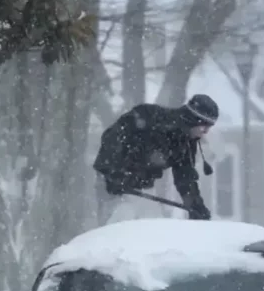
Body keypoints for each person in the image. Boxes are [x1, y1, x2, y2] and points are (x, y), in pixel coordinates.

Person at [92, 94, 219, 225]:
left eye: (210, 127)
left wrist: (195, 206)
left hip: (143, 189)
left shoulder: (186, 143)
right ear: (193, 119)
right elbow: (111, 138)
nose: (206, 132)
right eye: (205, 126)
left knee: (153, 228)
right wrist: (113, 174)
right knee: (118, 228)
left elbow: (185, 178)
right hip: (113, 186)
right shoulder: (150, 117)